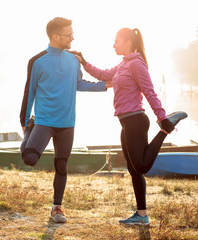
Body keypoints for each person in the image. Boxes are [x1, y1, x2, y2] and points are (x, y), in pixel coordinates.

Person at [72, 27, 187, 225]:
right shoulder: (123, 65)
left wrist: (162, 118)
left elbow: (149, 92)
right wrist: (83, 61)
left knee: (142, 166)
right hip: (126, 123)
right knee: (134, 170)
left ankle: (166, 129)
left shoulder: (136, 64)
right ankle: (141, 216)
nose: (113, 44)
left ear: (129, 43)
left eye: (117, 40)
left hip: (135, 121)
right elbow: (102, 74)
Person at [19, 17, 111, 223]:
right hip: (43, 121)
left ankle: (57, 208)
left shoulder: (72, 60)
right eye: (69, 35)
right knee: (29, 159)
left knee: (61, 166)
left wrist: (105, 85)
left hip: (67, 123)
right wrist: (25, 122)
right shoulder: (37, 61)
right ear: (55, 36)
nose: (73, 37)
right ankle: (28, 134)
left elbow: (79, 83)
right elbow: (29, 92)